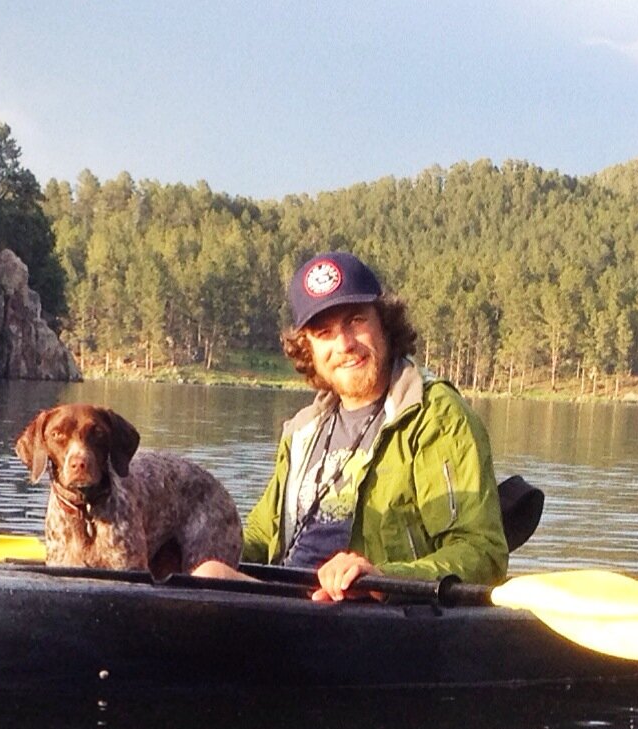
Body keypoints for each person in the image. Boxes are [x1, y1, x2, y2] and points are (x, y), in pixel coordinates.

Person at [196, 250, 507, 601]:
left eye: (356, 320)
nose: (343, 344)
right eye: (324, 332)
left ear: (384, 324)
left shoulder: (437, 417)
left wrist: (381, 579)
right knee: (206, 573)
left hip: (370, 621)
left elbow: (482, 553)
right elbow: (259, 536)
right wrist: (191, 552)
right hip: (285, 609)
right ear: (307, 349)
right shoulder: (302, 432)